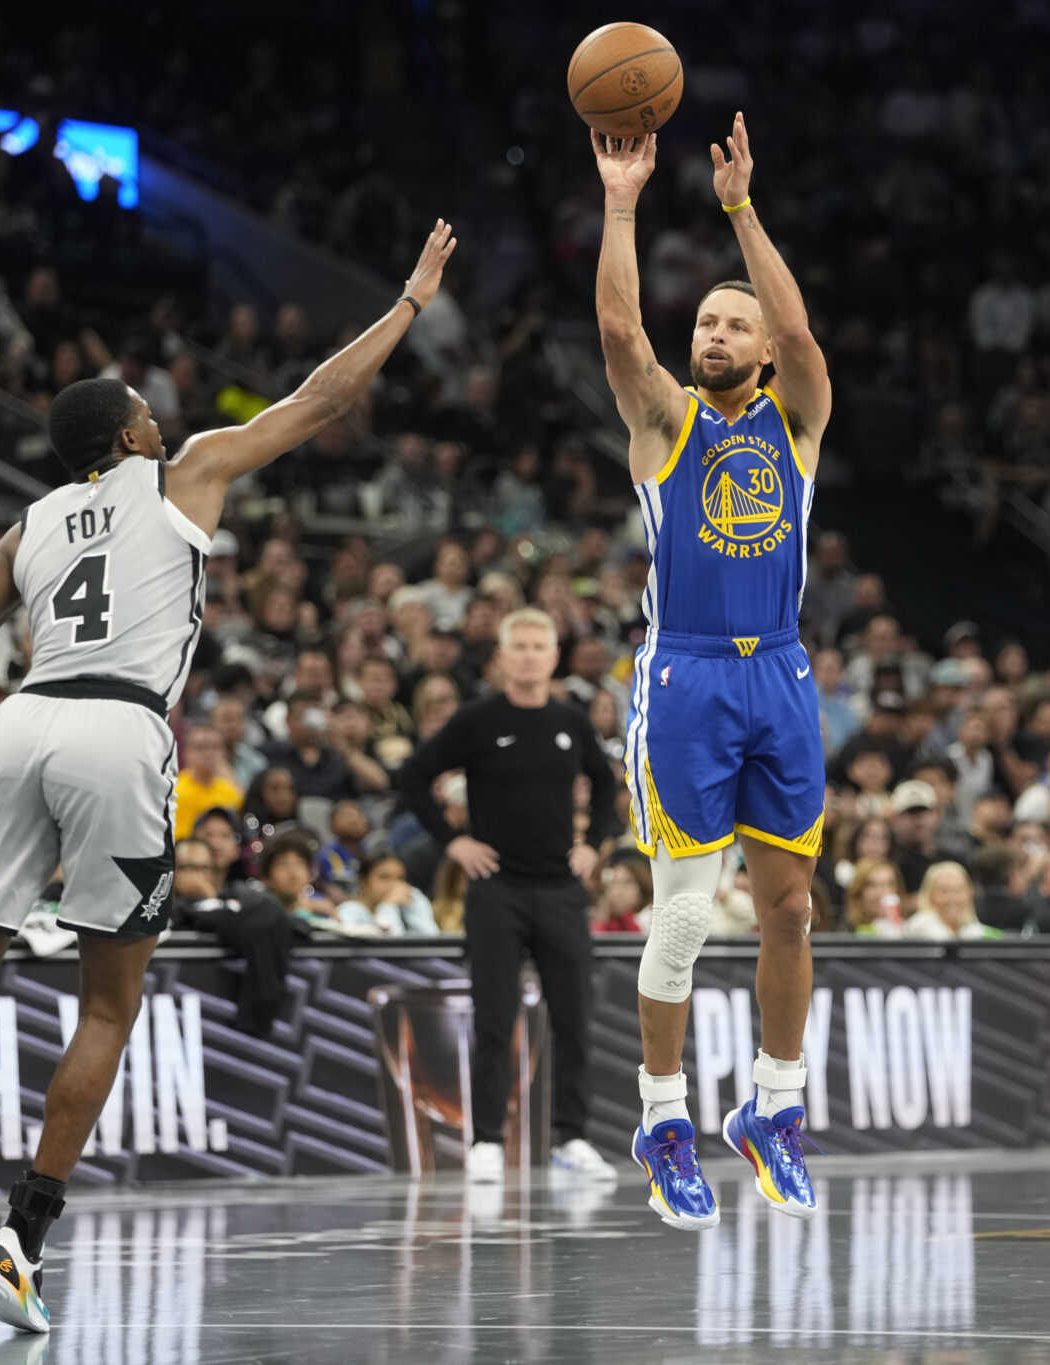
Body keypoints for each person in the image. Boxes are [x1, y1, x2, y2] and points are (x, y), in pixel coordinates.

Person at [0, 219, 457, 1335]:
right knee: (109, 1004)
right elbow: (320, 401)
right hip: (120, 730)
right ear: (129, 434)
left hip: (22, 722)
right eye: (146, 408)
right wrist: (408, 302)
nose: (160, 415)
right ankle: (20, 1239)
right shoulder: (185, 474)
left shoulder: (28, 526)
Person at [594, 112, 832, 1229]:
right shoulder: (664, 421)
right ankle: (661, 1119)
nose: (718, 333)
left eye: (736, 324)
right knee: (686, 916)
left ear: (766, 350)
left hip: (778, 672)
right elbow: (617, 328)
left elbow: (800, 325)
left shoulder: (798, 418)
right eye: (706, 321)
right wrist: (622, 204)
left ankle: (774, 1107)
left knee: (791, 909)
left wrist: (740, 209)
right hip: (685, 675)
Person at [396, 608, 621, 1185]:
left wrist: (594, 844)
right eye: (518, 646)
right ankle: (487, 1141)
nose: (528, 655)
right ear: (501, 656)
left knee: (573, 1019)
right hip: (497, 889)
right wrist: (453, 842)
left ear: (554, 656)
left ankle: (572, 1138)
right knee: (495, 1019)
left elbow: (607, 785)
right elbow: (413, 776)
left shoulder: (570, 721)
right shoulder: (477, 719)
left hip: (560, 889)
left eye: (537, 646)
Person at [333, 851, 437, 936]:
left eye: (400, 878)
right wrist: (387, 906)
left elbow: (431, 940)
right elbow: (391, 947)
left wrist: (416, 901)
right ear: (363, 881)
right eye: (384, 877)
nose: (394, 885)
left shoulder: (403, 910)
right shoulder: (349, 912)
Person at [174, 724, 243, 839]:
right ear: (187, 753)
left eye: (215, 747)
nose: (209, 754)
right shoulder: (176, 793)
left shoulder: (230, 791)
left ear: (224, 752)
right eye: (201, 748)